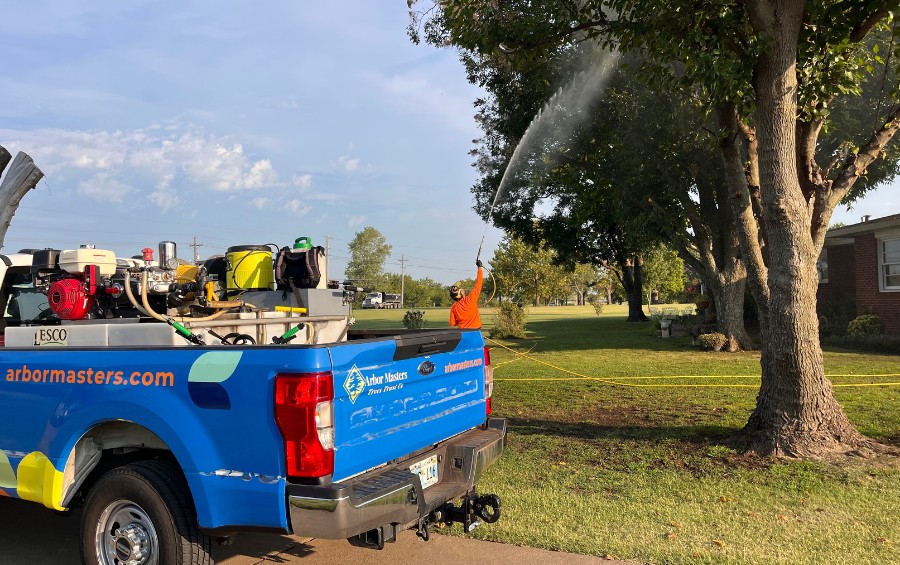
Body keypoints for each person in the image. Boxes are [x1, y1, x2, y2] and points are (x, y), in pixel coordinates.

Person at [449, 260, 484, 329]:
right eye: (461, 290)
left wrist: (461, 320)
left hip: (462, 333)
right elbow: (479, 284)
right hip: (475, 331)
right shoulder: (470, 299)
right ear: (461, 293)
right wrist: (480, 268)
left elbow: (452, 323)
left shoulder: (454, 307)